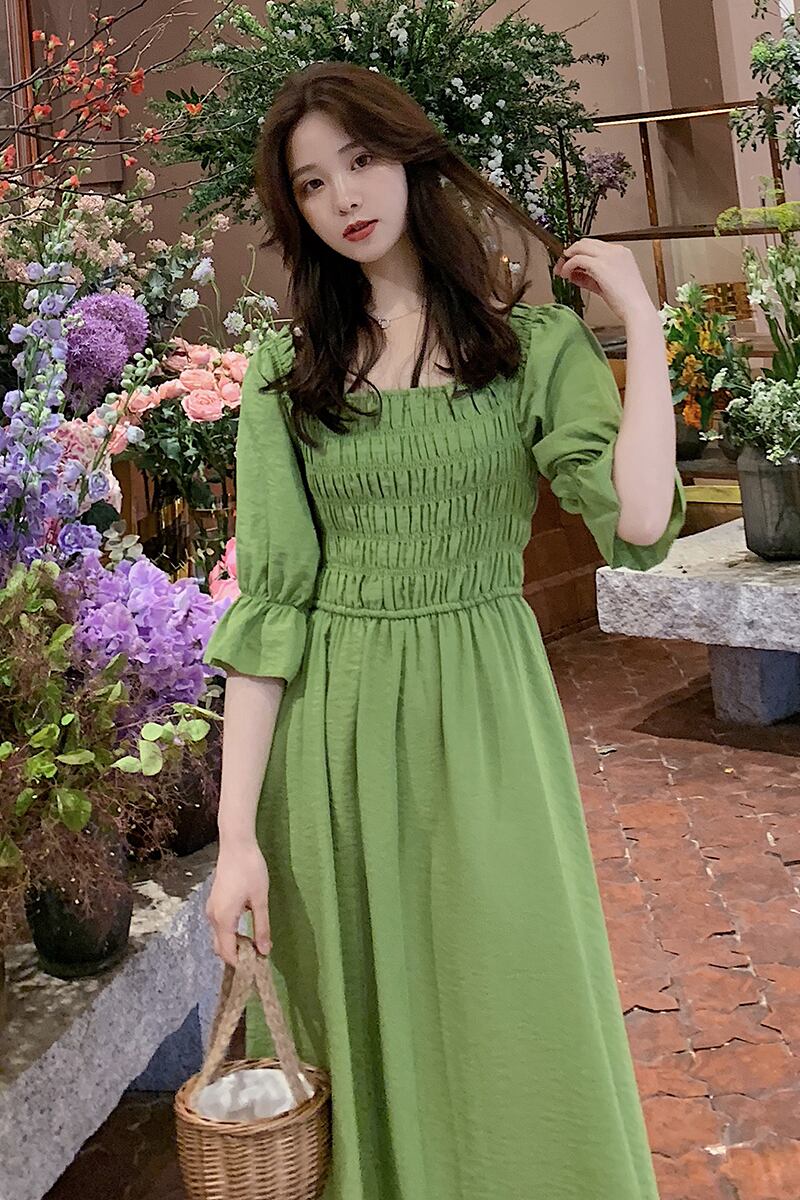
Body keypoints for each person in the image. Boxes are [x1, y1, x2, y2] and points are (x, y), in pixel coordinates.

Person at [203, 60, 686, 1200]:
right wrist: (235, 840)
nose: (343, 196)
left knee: (512, 996)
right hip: (332, 745)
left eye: (361, 160)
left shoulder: (530, 346)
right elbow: (271, 618)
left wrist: (644, 324)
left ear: (410, 160)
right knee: (356, 1021)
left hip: (486, 728)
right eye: (312, 183)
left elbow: (635, 522)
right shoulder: (287, 376)